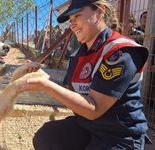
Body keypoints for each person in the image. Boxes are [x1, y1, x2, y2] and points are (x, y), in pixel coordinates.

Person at [15, 0, 151, 149]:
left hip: (119, 135)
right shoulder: (79, 53)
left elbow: (94, 110)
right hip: (88, 126)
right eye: (71, 20)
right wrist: (44, 76)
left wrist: (46, 85)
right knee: (47, 137)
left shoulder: (120, 51)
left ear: (100, 12)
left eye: (77, 16)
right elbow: (70, 90)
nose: (72, 24)